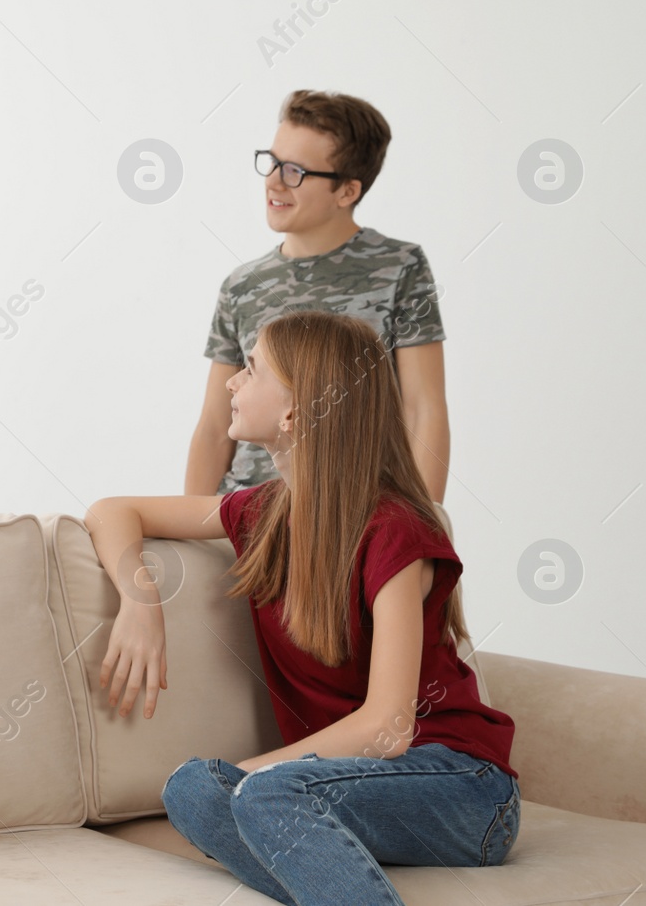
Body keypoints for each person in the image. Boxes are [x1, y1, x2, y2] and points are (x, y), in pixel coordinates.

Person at [86, 310, 517, 904]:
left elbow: (388, 728)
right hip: (332, 790)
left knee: (260, 793)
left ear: (295, 410)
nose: (233, 381)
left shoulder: (397, 532)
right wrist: (140, 601)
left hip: (462, 789)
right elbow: (113, 510)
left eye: (254, 368)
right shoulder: (262, 513)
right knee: (190, 789)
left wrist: (256, 776)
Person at [186, 91, 449, 502]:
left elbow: (423, 408)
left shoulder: (401, 267)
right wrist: (193, 533)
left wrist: (423, 529)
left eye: (295, 171)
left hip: (353, 514)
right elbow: (214, 427)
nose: (273, 180)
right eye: (272, 162)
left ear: (346, 192)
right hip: (246, 518)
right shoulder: (241, 285)